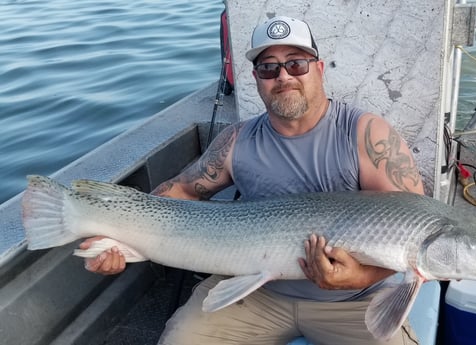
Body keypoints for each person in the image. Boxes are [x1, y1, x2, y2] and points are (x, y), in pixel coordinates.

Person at [81, 16, 424, 345]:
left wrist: (360, 277)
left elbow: (410, 230)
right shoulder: (236, 141)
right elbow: (182, 191)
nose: (283, 76)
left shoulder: (366, 134)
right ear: (257, 78)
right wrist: (119, 239)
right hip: (256, 294)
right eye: (268, 67)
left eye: (296, 63)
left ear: (319, 69)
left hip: (352, 301)